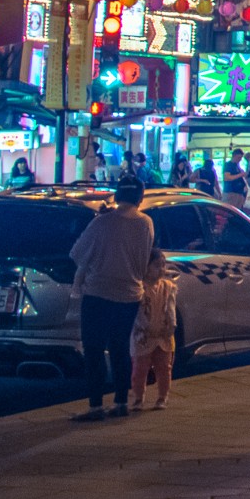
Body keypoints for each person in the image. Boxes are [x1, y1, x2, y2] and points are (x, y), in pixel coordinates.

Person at [67, 180, 155, 420]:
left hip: (98, 293)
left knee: (94, 350)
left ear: (116, 197)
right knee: (120, 349)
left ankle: (95, 406)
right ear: (139, 198)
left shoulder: (101, 222)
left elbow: (76, 253)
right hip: (129, 294)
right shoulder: (146, 223)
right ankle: (121, 402)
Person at [128, 249, 178, 412]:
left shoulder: (168, 287)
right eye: (157, 266)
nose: (162, 269)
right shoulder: (139, 288)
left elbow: (170, 309)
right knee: (140, 369)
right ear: (146, 267)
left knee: (164, 367)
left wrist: (171, 326)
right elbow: (138, 312)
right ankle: (138, 398)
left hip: (163, 336)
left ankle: (162, 397)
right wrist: (142, 327)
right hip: (143, 336)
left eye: (163, 265)